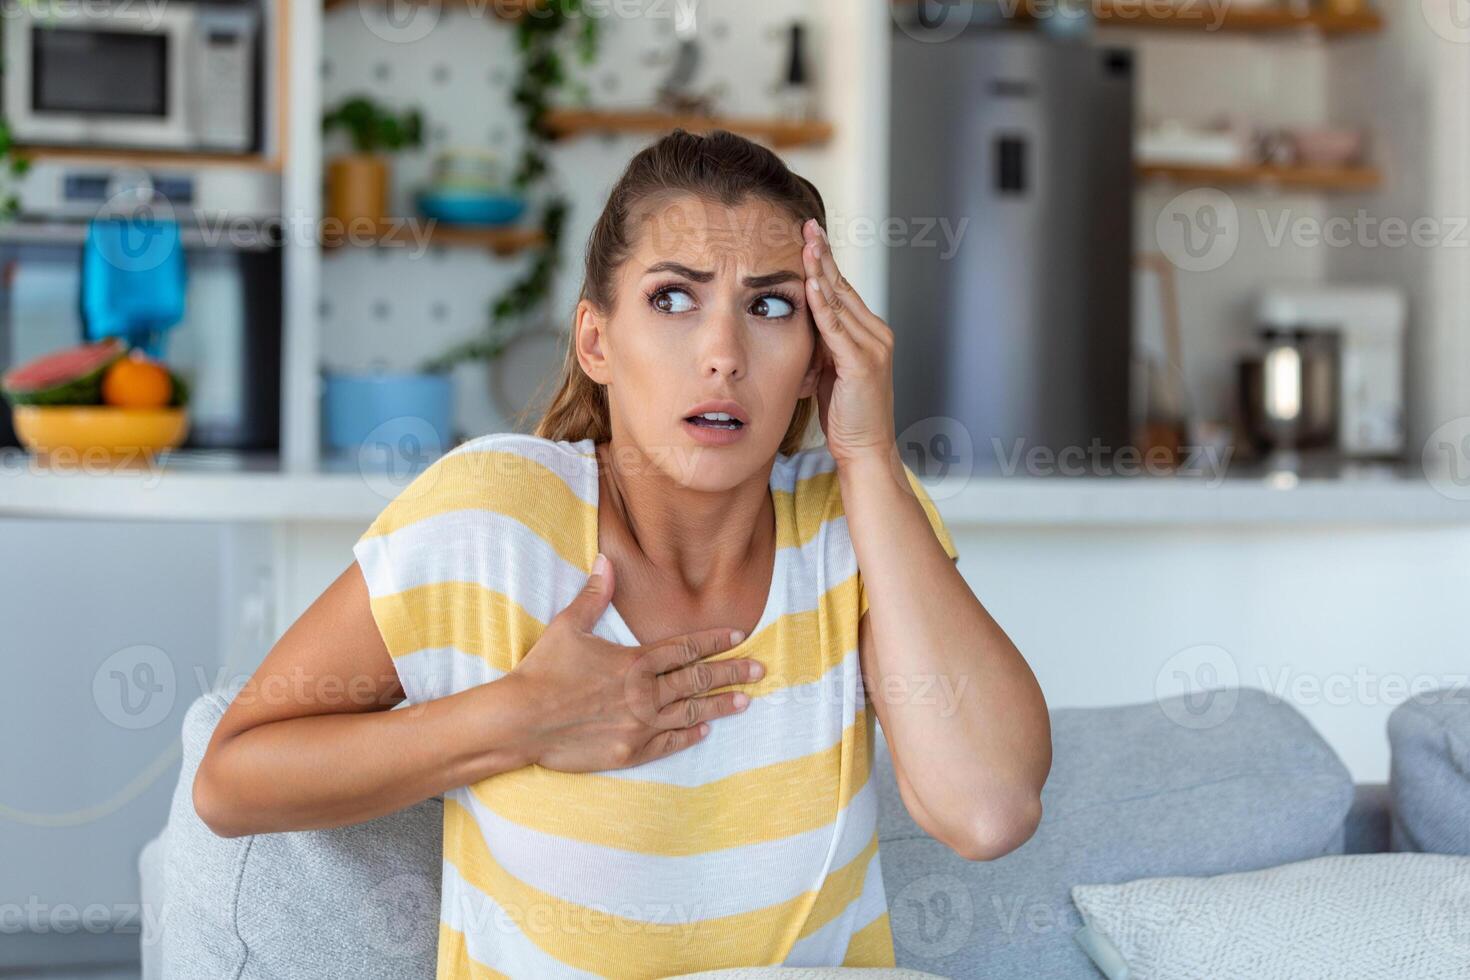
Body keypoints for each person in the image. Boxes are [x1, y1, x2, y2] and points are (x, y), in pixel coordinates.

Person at [193, 129, 1051, 977]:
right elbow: (230, 783)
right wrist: (516, 719)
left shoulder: (855, 519)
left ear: (816, 357)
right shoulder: (493, 518)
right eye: (674, 299)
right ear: (596, 342)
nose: (723, 356)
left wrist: (867, 454)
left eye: (771, 306)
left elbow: (988, 811)